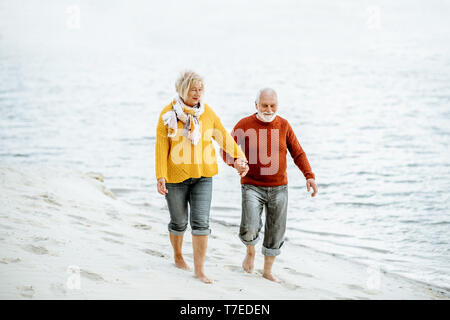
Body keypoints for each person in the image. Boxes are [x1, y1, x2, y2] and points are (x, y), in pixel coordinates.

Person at [155, 70, 248, 283]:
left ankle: (199, 270)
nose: (197, 93)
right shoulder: (167, 114)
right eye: (192, 89)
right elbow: (161, 148)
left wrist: (239, 157)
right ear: (182, 89)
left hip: (203, 176)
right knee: (179, 222)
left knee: (201, 223)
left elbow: (223, 137)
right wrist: (160, 175)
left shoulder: (208, 113)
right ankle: (178, 256)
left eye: (200, 89)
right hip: (174, 177)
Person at [221, 88, 318, 282]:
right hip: (251, 185)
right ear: (256, 105)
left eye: (272, 105)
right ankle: (250, 251)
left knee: (276, 230)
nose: (268, 109)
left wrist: (309, 175)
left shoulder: (284, 125)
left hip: (279, 187)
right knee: (250, 226)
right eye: (264, 105)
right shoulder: (245, 124)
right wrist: (235, 162)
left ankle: (267, 271)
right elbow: (226, 150)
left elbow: (298, 153)